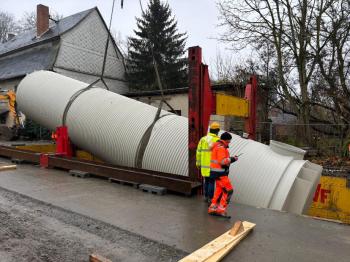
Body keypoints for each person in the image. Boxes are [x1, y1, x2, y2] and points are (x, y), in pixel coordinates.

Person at [208, 132, 238, 217]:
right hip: (220, 173)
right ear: (225, 140)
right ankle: (221, 210)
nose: (229, 143)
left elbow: (221, 160)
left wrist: (230, 158)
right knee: (229, 191)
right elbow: (223, 161)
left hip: (216, 173)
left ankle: (212, 208)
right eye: (229, 141)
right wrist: (232, 159)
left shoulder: (217, 146)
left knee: (219, 191)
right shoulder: (221, 148)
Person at [196, 122, 220, 204]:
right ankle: (210, 198)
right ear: (217, 131)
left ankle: (206, 197)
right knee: (211, 182)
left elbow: (198, 152)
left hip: (204, 165)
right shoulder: (218, 140)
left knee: (206, 181)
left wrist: (198, 163)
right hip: (213, 166)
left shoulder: (203, 139)